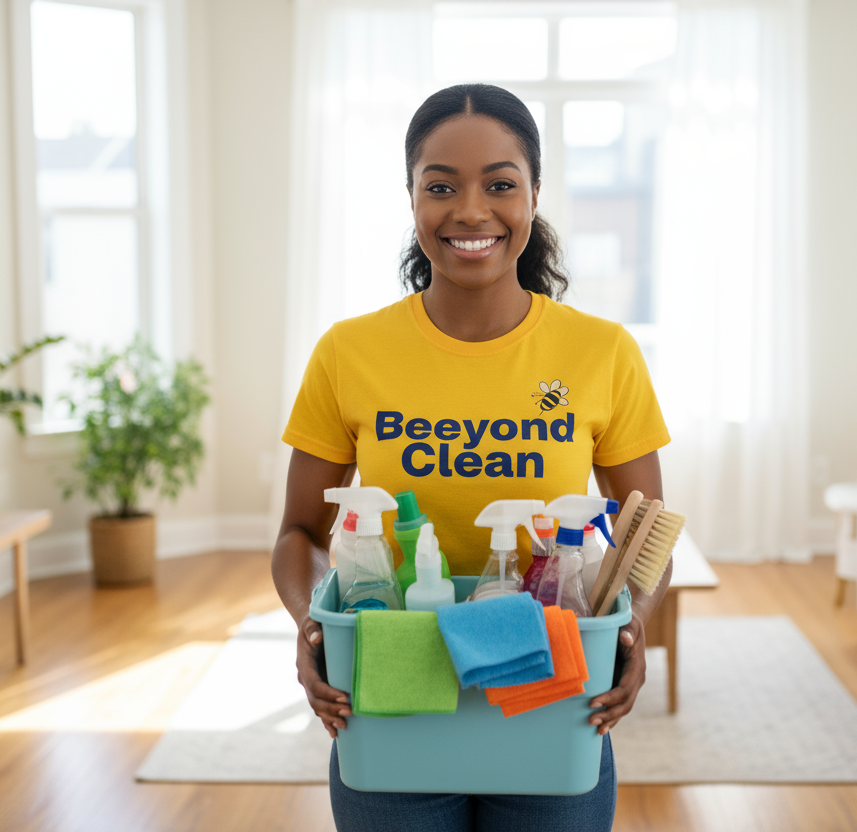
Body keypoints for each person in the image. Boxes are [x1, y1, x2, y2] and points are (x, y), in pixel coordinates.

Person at [272, 83, 672, 832]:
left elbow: (644, 538)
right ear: (412, 198)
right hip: (392, 706)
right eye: (441, 186)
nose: (471, 211)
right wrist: (311, 623)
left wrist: (632, 621)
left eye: (500, 184)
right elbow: (298, 533)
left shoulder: (603, 353)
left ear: (534, 195)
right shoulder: (348, 353)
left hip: (553, 705)